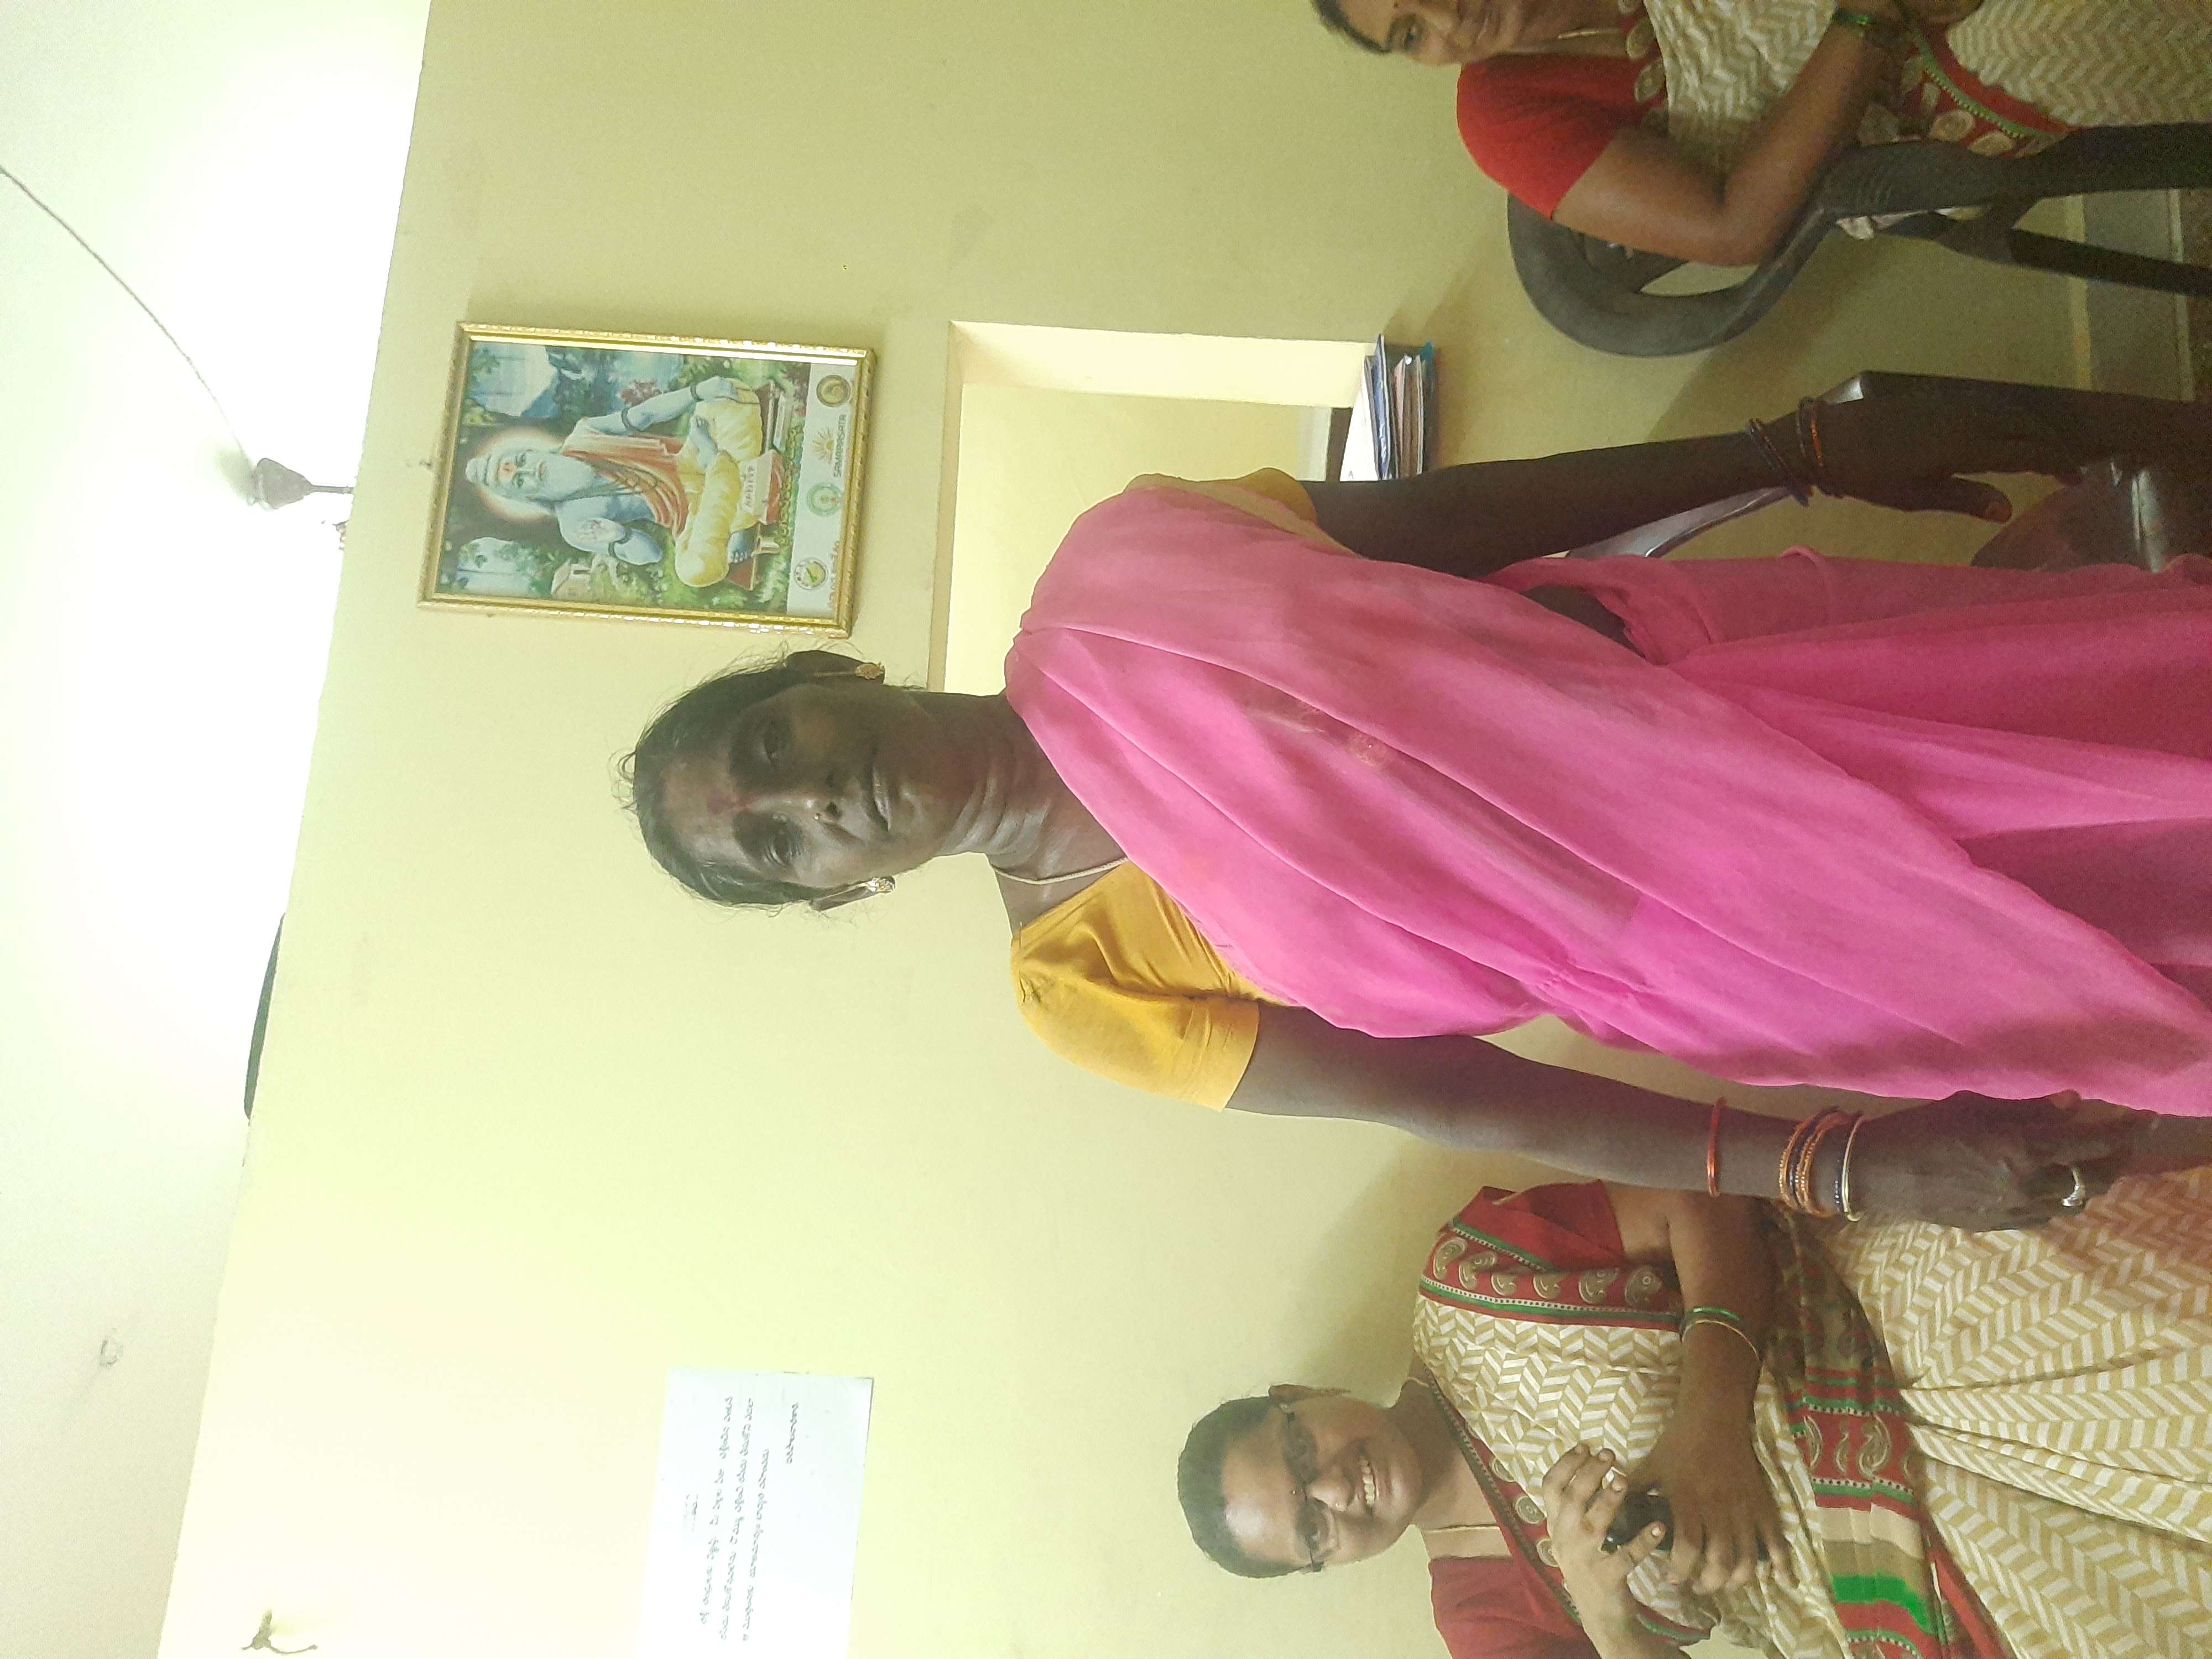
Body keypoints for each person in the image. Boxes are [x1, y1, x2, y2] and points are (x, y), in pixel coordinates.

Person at [620, 375, 2212, 1232]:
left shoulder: (1123, 563)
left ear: (827, 671)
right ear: (838, 892)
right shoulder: (1079, 990)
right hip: (1778, 958)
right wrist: (1836, 1169)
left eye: (772, 744)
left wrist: (1791, 445)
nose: (812, 792)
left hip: (1775, 684)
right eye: (777, 841)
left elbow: (1450, 521)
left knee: (2158, 710)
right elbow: (1458, 1098)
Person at [1176, 1149, 2212, 1658]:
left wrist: (1709, 1427)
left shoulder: (1472, 1278)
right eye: (1312, 1528)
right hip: (1869, 1589)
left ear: (1299, 1397)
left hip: (1883, 1331)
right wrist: (1603, 1606)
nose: (1337, 1490)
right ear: (1325, 1565)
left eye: (1299, 1451)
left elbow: (1700, 1202)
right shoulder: (1482, 1617)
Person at [1310, 0, 2212, 265]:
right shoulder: (1502, 114)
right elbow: (1731, 227)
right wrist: (1869, 16)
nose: (1448, 20)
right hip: (1896, 106)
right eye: (1411, 36)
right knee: (2061, 25)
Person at [463, 375, 773, 589]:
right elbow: (652, 555)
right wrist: (621, 536)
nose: (530, 471)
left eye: (521, 461)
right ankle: (735, 497)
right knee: (693, 571)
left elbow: (644, 414)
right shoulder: (573, 527)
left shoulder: (585, 434)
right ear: (524, 498)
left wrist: (699, 390)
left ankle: (735, 505)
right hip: (691, 511)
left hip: (688, 459)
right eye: (519, 482)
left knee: (728, 398)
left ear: (531, 451)